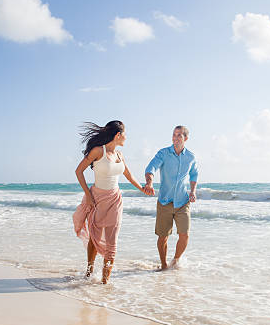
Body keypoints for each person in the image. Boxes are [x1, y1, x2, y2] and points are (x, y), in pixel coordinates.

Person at [73, 120, 152, 284]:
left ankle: (104, 282)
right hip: (97, 199)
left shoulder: (119, 155)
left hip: (115, 200)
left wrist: (142, 189)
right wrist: (88, 195)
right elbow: (79, 171)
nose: (126, 138)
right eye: (125, 134)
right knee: (94, 238)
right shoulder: (97, 151)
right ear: (118, 135)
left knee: (112, 243)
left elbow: (128, 175)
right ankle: (89, 270)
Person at [144, 125, 198, 270]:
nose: (175, 137)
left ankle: (175, 260)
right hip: (165, 201)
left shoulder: (191, 157)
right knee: (163, 237)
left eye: (179, 135)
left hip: (183, 202)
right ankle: (163, 265)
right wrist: (149, 182)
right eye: (174, 134)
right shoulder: (163, 153)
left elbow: (194, 175)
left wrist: (193, 191)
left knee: (184, 235)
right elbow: (151, 168)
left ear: (185, 138)